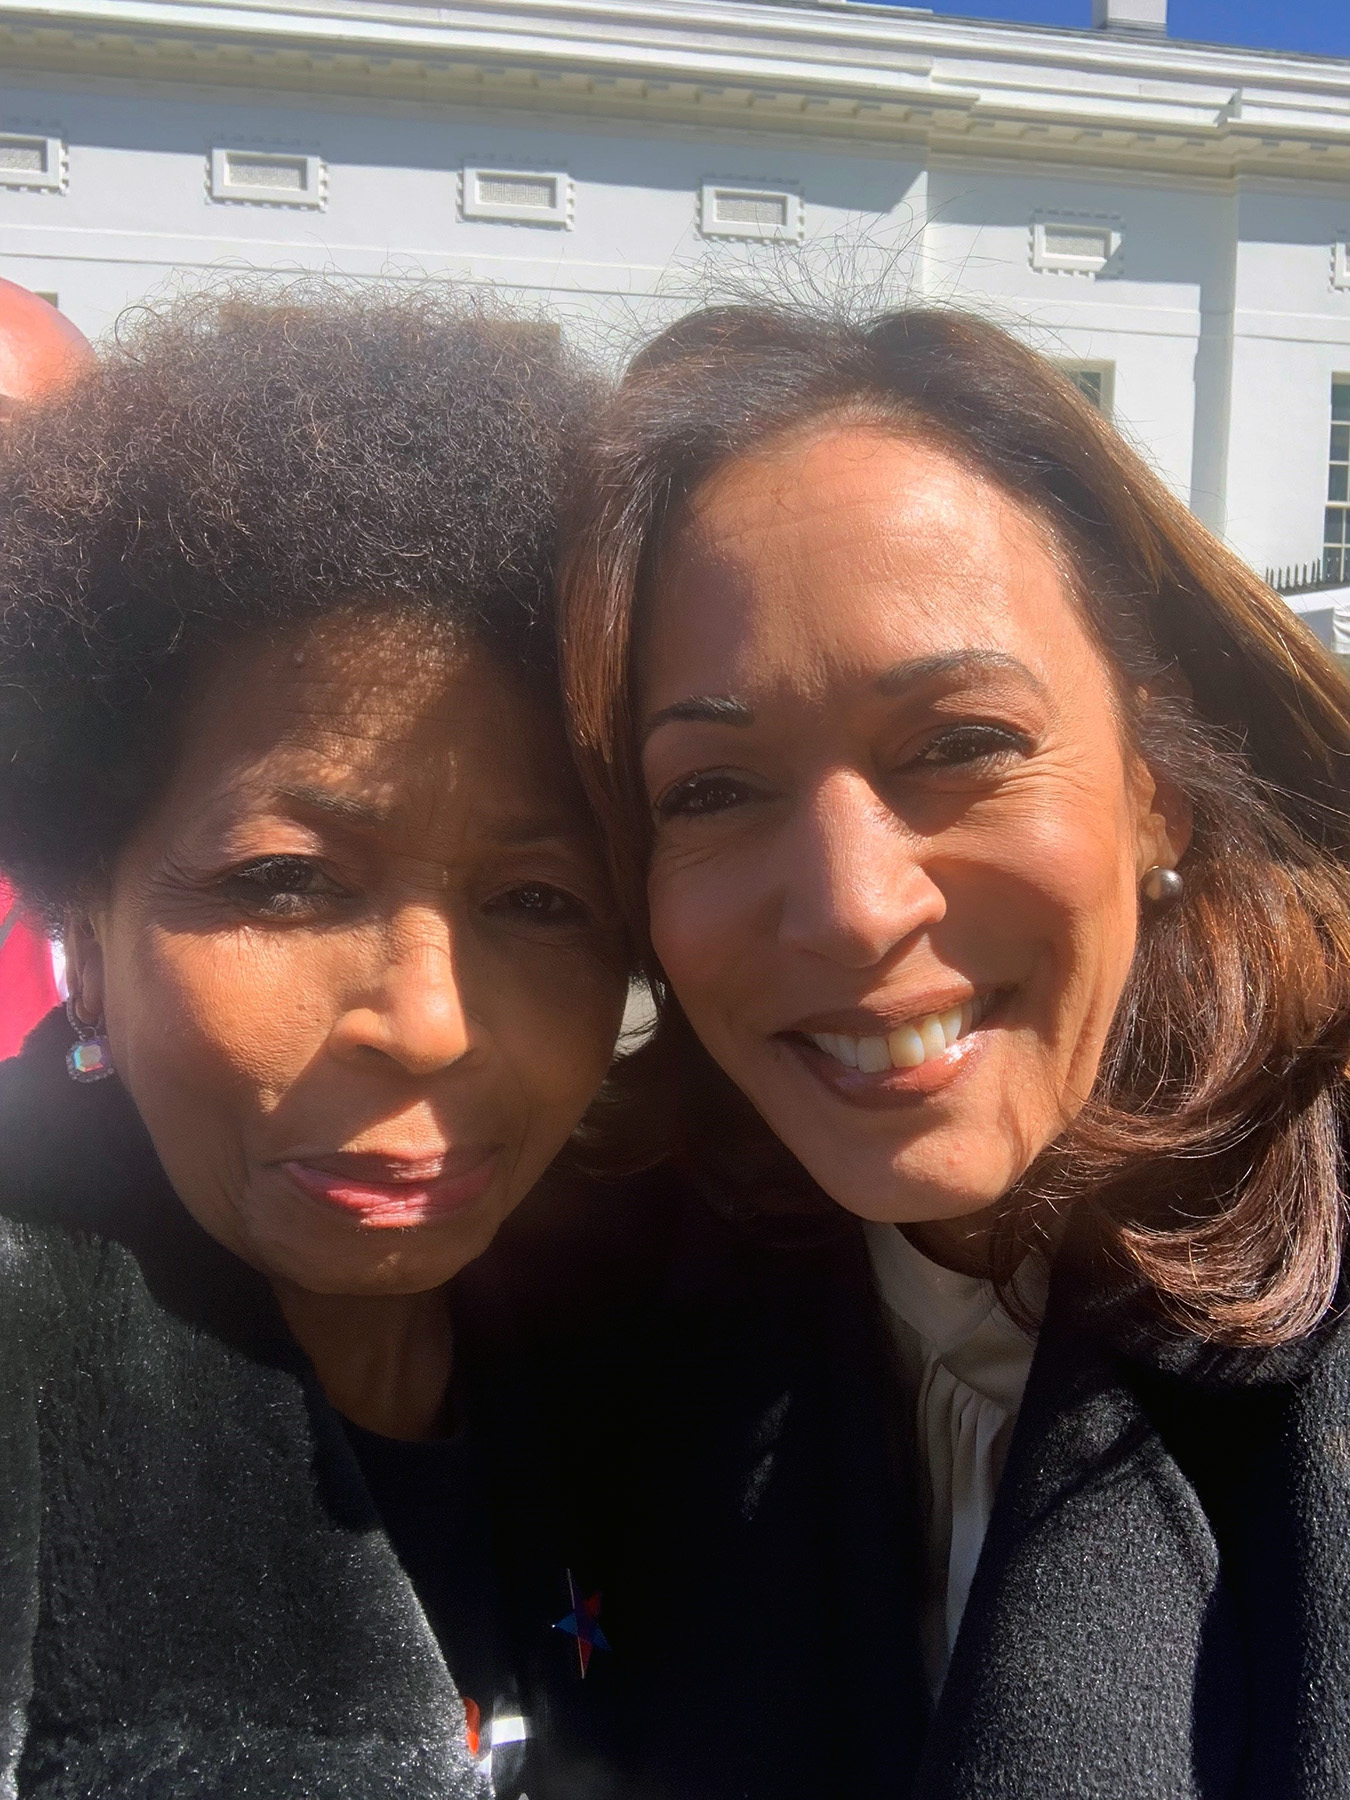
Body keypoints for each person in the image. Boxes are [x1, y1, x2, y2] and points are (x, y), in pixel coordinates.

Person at [557, 304, 1350, 1799]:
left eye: (958, 743)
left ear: (1153, 780)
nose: (854, 911)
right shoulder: (591, 1321)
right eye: (712, 788)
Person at [0, 288, 635, 1798]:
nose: (425, 1024)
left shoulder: (679, 1354)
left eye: (542, 900)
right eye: (284, 883)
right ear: (85, 920)